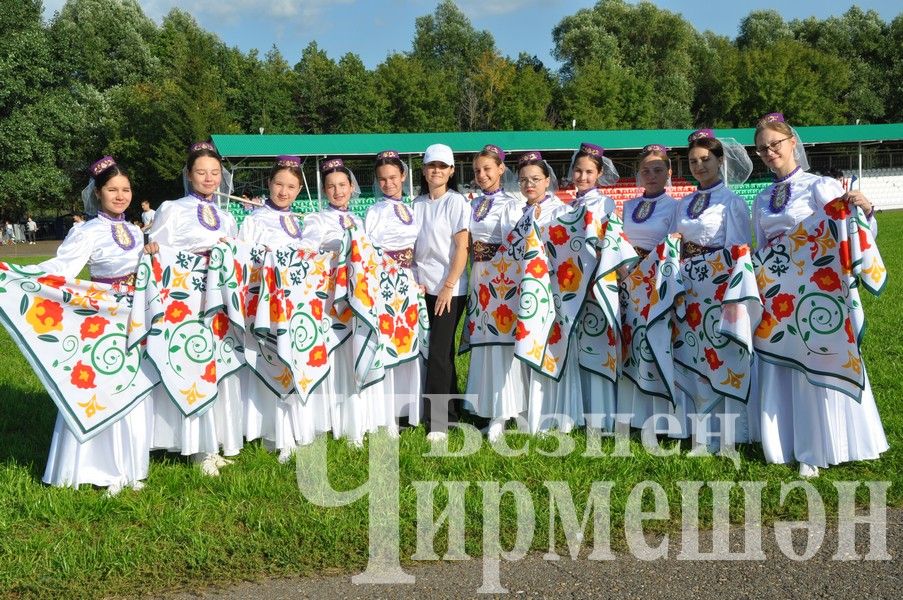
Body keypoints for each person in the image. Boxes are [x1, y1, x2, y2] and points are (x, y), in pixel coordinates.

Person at [751, 112, 886, 478]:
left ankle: (820, 445)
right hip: (779, 291)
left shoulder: (819, 186)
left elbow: (849, 229)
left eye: (774, 144)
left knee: (818, 357)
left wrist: (866, 209)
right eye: (762, 148)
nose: (768, 152)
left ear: (793, 142)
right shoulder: (762, 198)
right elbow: (761, 246)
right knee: (783, 358)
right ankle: (786, 440)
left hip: (815, 289)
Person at [39, 156, 151, 494]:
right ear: (98, 194)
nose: (120, 195)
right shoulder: (86, 232)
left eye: (126, 189)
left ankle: (130, 466)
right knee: (101, 388)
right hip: (102, 319)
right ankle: (100, 469)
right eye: (112, 190)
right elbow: (61, 270)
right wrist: (22, 278)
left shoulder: (135, 230)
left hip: (134, 318)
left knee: (130, 386)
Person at [144, 141, 241, 476]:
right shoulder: (172, 208)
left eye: (215, 172)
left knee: (215, 365)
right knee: (191, 366)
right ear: (189, 174)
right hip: (185, 302)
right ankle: (196, 447)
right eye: (201, 172)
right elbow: (159, 255)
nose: (209, 178)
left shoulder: (228, 217)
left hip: (218, 303)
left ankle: (214, 442)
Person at [669, 128, 754, 446]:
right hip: (688, 288)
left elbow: (739, 250)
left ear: (720, 161)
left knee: (719, 354)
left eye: (705, 159)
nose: (699, 166)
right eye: (693, 161)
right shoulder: (685, 202)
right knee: (692, 352)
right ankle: (698, 431)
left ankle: (729, 433)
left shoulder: (730, 202)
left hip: (717, 289)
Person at [237, 155, 317, 461]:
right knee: (275, 361)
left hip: (298, 306)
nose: (284, 192)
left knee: (297, 362)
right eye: (279, 184)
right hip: (267, 307)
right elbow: (243, 260)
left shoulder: (301, 222)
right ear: (269, 184)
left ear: (298, 190)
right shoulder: (254, 221)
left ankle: (300, 428)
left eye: (291, 186)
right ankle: (278, 434)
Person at [299, 157, 375, 446]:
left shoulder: (360, 220)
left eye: (342, 184)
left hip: (356, 297)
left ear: (351, 186)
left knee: (352, 354)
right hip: (329, 299)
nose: (338, 190)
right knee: (332, 355)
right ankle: (328, 421)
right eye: (331, 186)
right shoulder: (315, 220)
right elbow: (306, 254)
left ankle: (355, 423)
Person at [462, 144, 527, 441]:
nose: (482, 174)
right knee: (484, 346)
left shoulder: (510, 204)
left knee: (501, 345)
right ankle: (487, 408)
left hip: (501, 281)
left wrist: (501, 276)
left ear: (501, 169)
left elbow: (515, 246)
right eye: (477, 170)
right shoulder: (473, 204)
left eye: (488, 168)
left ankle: (504, 412)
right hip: (479, 277)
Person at [516, 151, 583, 434]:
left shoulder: (560, 210)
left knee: (554, 346)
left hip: (554, 291)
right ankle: (535, 414)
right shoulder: (522, 212)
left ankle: (560, 415)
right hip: (529, 290)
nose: (529, 185)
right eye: (523, 180)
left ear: (547, 181)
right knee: (534, 342)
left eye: (535, 179)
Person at [617, 144, 681, 433]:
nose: (651, 175)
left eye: (657, 170)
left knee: (656, 342)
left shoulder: (676, 206)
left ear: (669, 173)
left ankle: (660, 416)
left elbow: (673, 247)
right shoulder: (629, 206)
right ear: (638, 175)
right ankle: (634, 414)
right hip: (629, 281)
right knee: (632, 344)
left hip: (656, 283)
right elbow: (620, 242)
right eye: (646, 171)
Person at [412, 144, 470, 442]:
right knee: (439, 352)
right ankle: (453, 407)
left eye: (442, 166)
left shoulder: (456, 202)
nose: (436, 170)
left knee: (437, 352)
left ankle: (439, 422)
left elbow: (462, 247)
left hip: (450, 288)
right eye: (431, 165)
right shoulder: (417, 203)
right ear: (423, 170)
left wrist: (448, 286)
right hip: (423, 287)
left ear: (450, 170)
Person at [364, 150, 422, 436]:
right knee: (388, 345)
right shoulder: (374, 211)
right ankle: (387, 416)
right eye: (382, 179)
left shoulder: (414, 208)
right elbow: (370, 250)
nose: (388, 183)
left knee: (411, 344)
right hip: (386, 282)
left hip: (410, 279)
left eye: (393, 177)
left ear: (403, 176)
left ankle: (409, 409)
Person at [564, 142, 619, 431]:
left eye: (588, 172)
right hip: (572, 284)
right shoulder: (572, 204)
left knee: (598, 344)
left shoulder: (603, 203)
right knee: (579, 346)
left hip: (594, 282)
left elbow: (606, 245)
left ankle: (602, 415)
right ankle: (582, 410)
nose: (582, 177)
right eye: (578, 171)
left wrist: (593, 278)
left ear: (598, 174)